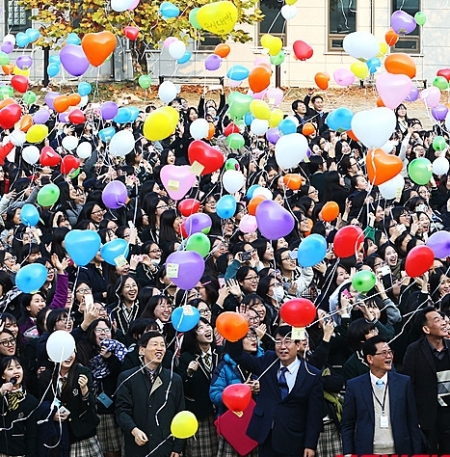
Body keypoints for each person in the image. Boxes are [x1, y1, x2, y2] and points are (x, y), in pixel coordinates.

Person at [228, 325, 323, 457]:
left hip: (294, 438)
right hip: (267, 435)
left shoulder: (311, 374)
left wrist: (310, 444)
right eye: (278, 341)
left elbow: (314, 414)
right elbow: (237, 355)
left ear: (298, 344)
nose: (282, 346)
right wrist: (237, 327)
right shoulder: (268, 360)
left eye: (288, 341)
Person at [341, 335, 422, 455]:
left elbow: (412, 422)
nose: (389, 356)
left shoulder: (403, 382)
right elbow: (348, 424)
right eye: (383, 353)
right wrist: (348, 453)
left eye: (390, 352)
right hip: (367, 450)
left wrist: (417, 452)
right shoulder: (355, 385)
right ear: (370, 358)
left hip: (400, 449)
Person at [115, 331, 185, 457]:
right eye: (154, 344)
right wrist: (134, 430)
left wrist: (178, 447)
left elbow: (180, 414)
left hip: (166, 446)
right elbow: (122, 411)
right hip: (138, 445)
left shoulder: (174, 379)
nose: (159, 348)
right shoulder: (128, 378)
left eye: (162, 345)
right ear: (142, 350)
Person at [402, 306, 450, 453]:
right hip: (428, 417)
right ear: (426, 329)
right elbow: (409, 385)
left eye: (442, 319)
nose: (443, 323)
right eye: (437, 320)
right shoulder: (414, 351)